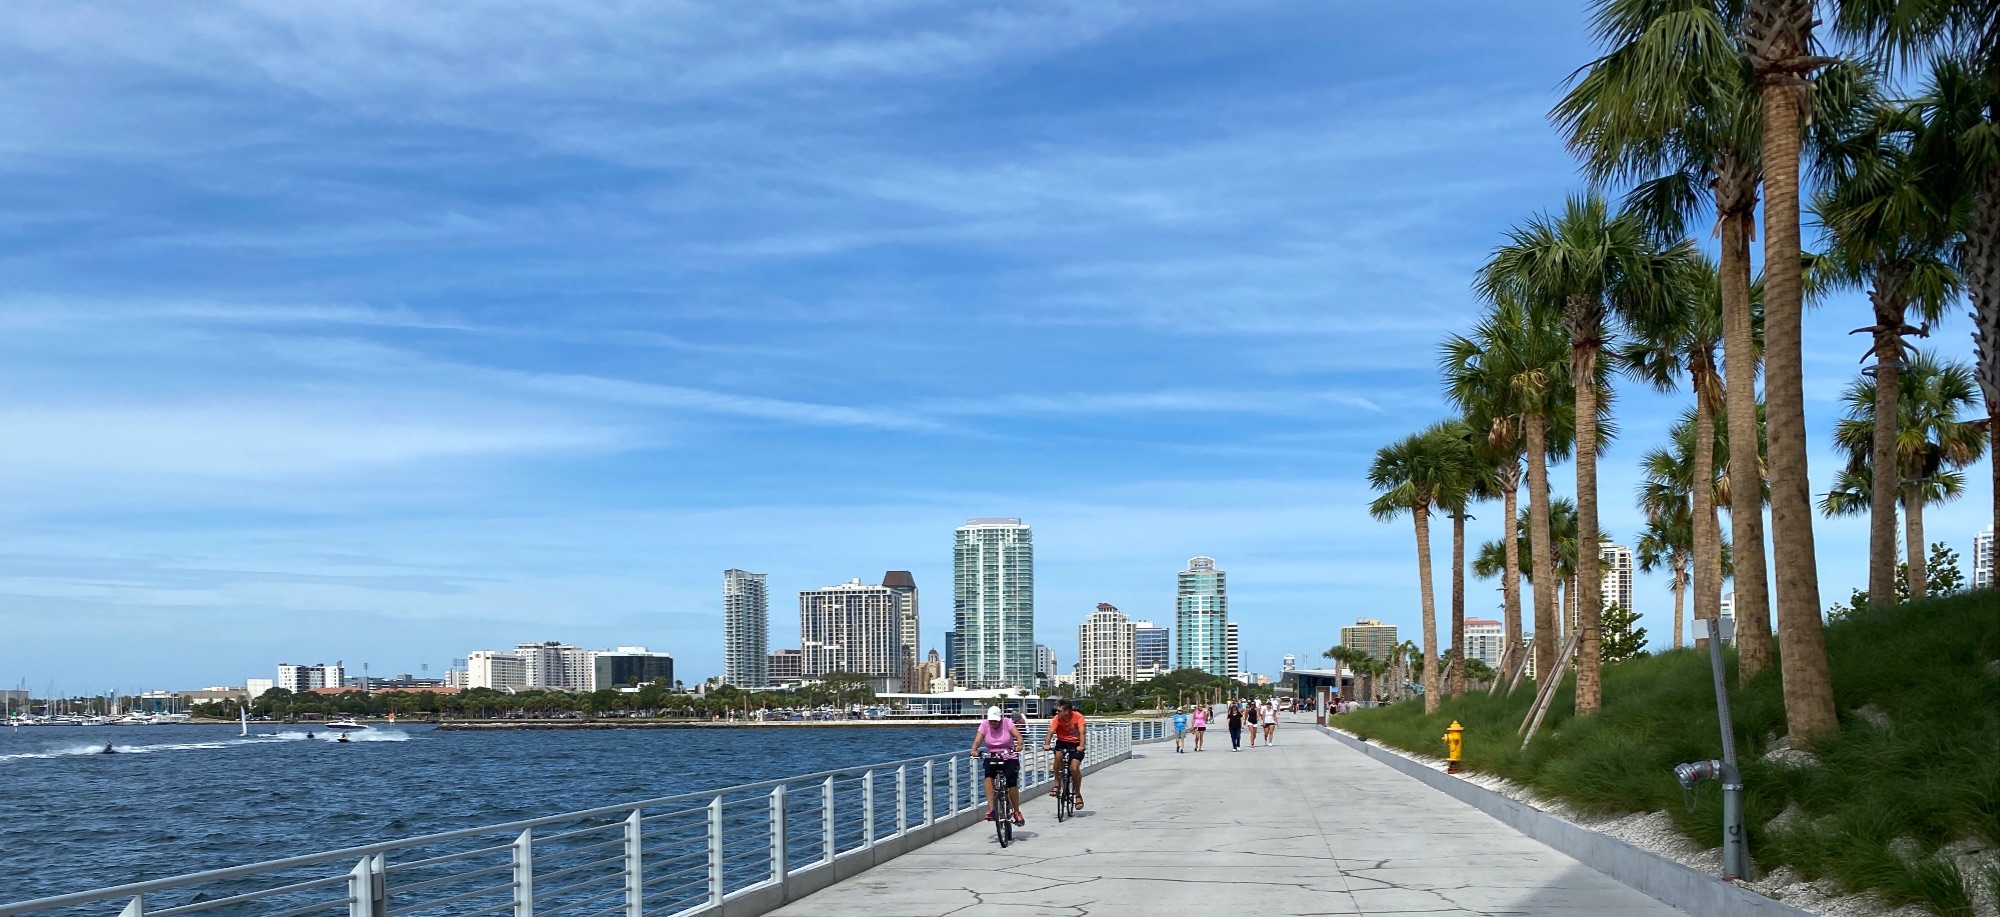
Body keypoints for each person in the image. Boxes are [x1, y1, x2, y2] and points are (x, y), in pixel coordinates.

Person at [970, 705, 1024, 825]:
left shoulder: (1007, 722)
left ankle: (1016, 812)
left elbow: (1018, 736)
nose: (993, 723)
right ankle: (991, 809)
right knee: (988, 776)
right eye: (991, 721)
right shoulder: (984, 725)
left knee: (1011, 782)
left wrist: (1019, 745)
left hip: (1009, 756)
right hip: (992, 756)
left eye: (995, 721)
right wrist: (974, 750)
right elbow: (978, 740)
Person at [1045, 698, 1087, 810]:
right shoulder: (1057, 718)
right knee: (1058, 758)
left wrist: (1081, 746)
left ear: (1067, 711)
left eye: (1059, 711)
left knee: (1074, 768)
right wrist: (1047, 744)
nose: (1057, 712)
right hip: (1062, 742)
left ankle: (1078, 794)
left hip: (1076, 744)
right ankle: (1056, 784)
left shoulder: (1078, 717)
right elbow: (1050, 731)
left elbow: (1082, 732)